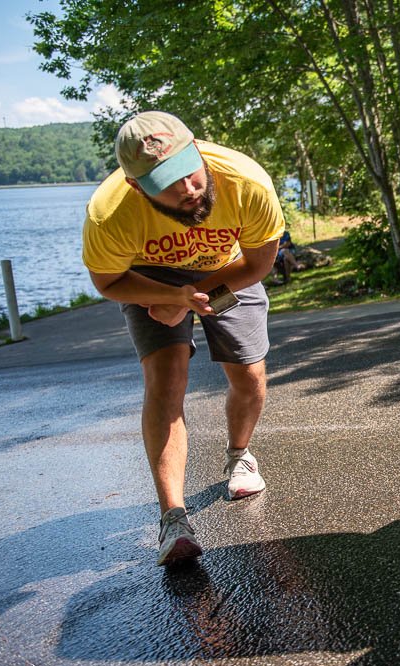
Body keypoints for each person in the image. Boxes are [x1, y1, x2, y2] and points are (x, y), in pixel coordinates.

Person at [82, 111, 285, 565]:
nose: (188, 188)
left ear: (197, 148)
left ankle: (239, 455)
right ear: (137, 187)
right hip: (151, 278)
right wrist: (171, 296)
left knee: (249, 374)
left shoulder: (246, 181)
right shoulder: (109, 213)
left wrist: (192, 298)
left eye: (189, 170)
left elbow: (257, 264)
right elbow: (108, 282)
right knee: (166, 377)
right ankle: (173, 519)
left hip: (228, 270)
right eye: (167, 183)